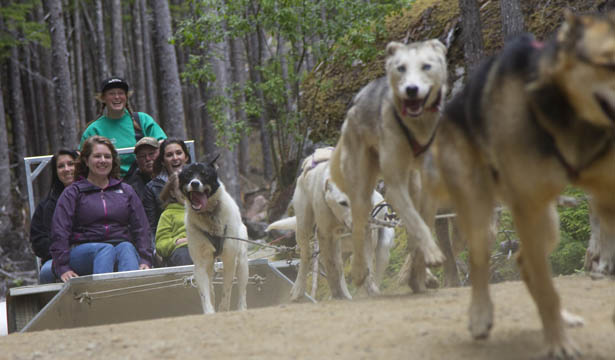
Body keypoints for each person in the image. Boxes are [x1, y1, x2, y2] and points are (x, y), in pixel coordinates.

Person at [50, 136, 152, 282]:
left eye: (107, 156)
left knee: (127, 247)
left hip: (120, 245)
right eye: (97, 156)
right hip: (83, 250)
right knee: (105, 250)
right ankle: (102, 301)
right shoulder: (73, 192)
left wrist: (145, 260)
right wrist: (62, 267)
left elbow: (141, 227)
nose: (103, 160)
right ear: (86, 160)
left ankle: (130, 299)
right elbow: (60, 230)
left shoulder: (126, 190)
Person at [80, 77, 167, 177]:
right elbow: (82, 159)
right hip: (110, 184)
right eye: (111, 93)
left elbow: (164, 144)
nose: (117, 97)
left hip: (147, 182)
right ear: (103, 98)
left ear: (126, 97)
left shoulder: (142, 120)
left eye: (121, 93)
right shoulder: (94, 129)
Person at [29, 149, 79, 284]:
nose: (67, 169)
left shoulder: (93, 196)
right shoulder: (46, 205)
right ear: (55, 172)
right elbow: (38, 241)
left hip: (87, 251)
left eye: (71, 164)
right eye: (61, 166)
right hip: (55, 258)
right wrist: (62, 252)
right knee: (46, 272)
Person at [142, 139, 191, 237]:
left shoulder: (199, 182)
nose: (175, 158)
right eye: (169, 155)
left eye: (179, 153)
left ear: (186, 157)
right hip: (169, 238)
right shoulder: (152, 188)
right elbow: (151, 226)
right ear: (163, 162)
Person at [155, 173, 192, 266]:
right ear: (172, 193)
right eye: (181, 189)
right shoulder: (168, 214)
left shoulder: (204, 211)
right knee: (184, 253)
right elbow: (161, 244)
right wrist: (176, 242)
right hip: (181, 251)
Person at [123, 137, 160, 201]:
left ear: (161, 154)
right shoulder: (132, 187)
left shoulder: (172, 174)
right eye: (142, 156)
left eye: (151, 154)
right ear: (137, 160)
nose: (147, 159)